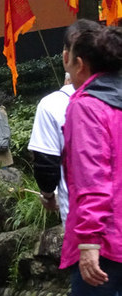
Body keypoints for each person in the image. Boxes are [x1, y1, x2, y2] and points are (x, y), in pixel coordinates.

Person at [59, 23, 122, 295]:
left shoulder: (86, 106)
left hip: (106, 240)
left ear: (79, 64)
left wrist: (88, 243)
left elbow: (92, 179)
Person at [30, 23, 96, 223]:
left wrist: (48, 195)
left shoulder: (55, 104)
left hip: (83, 219)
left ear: (69, 60)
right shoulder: (112, 97)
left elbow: (46, 163)